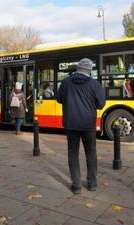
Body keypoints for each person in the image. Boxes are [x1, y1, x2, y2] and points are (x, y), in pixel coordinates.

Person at [56, 58, 106, 194]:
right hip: (88, 125)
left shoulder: (66, 82)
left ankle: (76, 185)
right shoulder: (94, 84)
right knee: (91, 152)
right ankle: (92, 183)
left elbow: (59, 99)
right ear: (89, 70)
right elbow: (101, 104)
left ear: (77, 68)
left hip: (71, 124)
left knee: (73, 153)